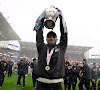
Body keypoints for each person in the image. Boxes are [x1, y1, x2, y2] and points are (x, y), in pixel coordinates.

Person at [34, 7, 68, 90]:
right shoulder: (41, 47)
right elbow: (39, 33)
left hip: (56, 84)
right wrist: (41, 19)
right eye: (49, 36)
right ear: (46, 39)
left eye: (53, 36)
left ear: (56, 39)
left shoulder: (61, 48)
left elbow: (64, 34)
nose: (51, 38)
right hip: (41, 84)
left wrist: (61, 19)